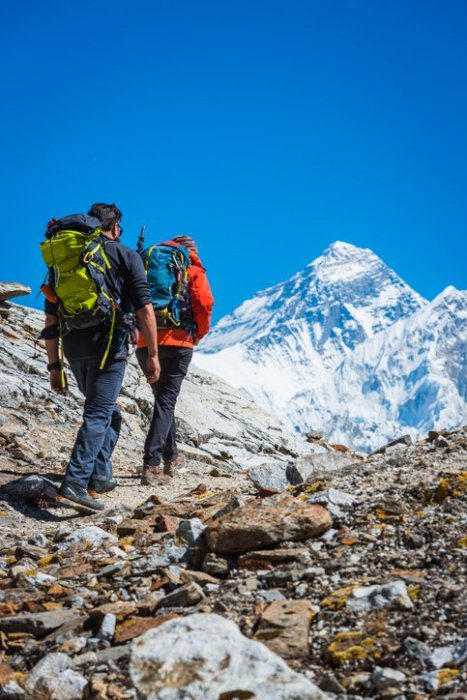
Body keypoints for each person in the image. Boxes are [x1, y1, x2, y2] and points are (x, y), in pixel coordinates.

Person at [43, 203, 160, 512]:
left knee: (109, 413)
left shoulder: (67, 258)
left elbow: (51, 316)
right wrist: (152, 354)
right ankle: (75, 483)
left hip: (73, 344)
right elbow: (145, 309)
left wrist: (55, 366)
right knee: (98, 414)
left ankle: (101, 476)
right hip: (109, 344)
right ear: (116, 228)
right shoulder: (125, 255)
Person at [136, 235, 214, 485]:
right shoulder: (192, 268)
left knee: (162, 400)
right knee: (166, 402)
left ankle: (171, 456)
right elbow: (203, 303)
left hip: (145, 342)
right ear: (192, 251)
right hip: (179, 342)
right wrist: (199, 334)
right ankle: (152, 463)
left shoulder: (148, 265)